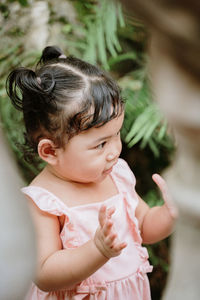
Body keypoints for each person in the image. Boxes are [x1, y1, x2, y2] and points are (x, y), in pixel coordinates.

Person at [6, 45, 177, 300]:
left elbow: (143, 225)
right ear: (50, 151)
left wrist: (169, 215)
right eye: (100, 144)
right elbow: (43, 273)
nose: (114, 151)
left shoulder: (115, 175)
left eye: (116, 134)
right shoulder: (44, 201)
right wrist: (98, 249)